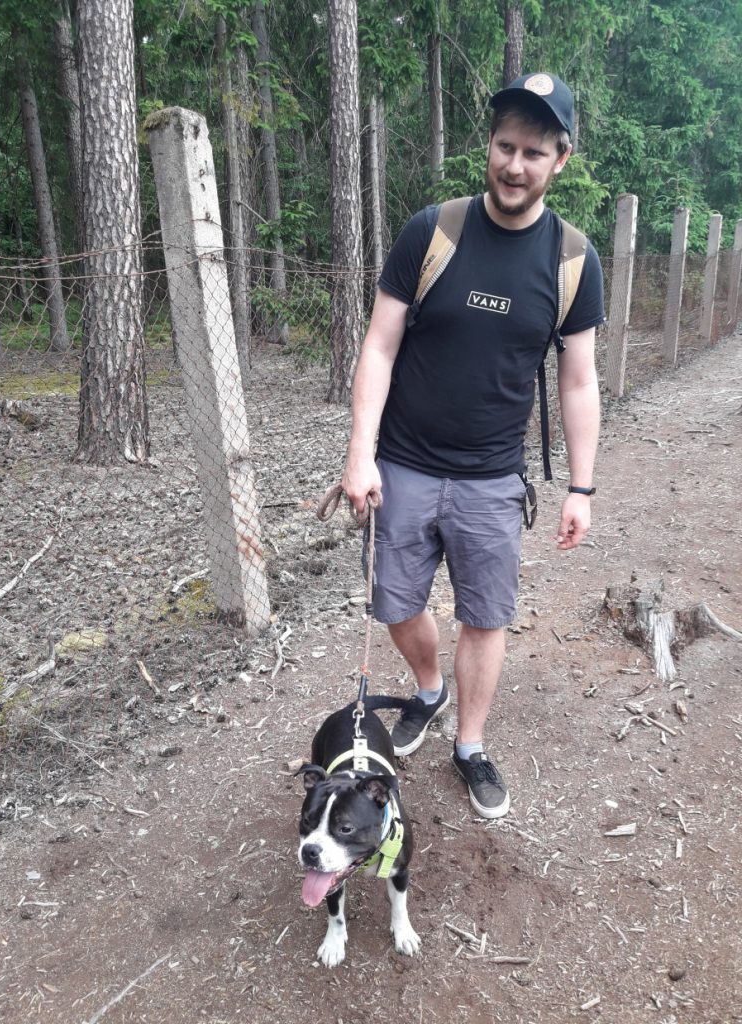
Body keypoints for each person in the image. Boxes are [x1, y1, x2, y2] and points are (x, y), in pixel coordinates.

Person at [341, 72, 605, 819]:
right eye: (504, 147)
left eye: (533, 152)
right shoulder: (434, 232)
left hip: (492, 479)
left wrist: (580, 487)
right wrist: (360, 451)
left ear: (560, 159)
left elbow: (579, 380)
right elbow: (379, 346)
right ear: (488, 145)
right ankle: (428, 688)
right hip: (403, 465)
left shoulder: (573, 260)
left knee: (485, 618)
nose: (514, 166)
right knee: (395, 605)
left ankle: (470, 745)